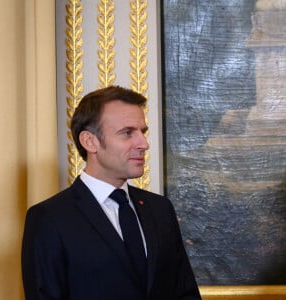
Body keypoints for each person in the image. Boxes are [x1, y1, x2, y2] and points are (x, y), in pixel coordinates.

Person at [21, 86, 201, 300]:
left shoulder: (161, 209)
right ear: (90, 141)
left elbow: (184, 293)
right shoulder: (49, 219)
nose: (143, 144)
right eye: (127, 133)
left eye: (142, 132)